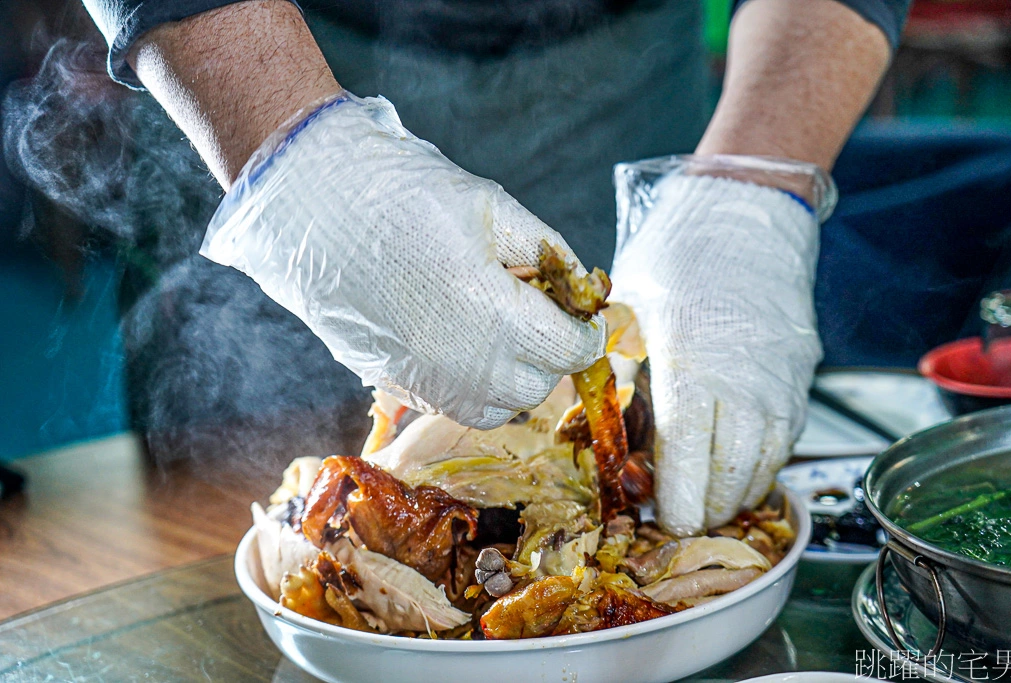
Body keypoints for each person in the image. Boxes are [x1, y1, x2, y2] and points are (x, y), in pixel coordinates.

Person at [77, 0, 907, 535]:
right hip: (241, 61)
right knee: (277, 541)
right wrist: (298, 164)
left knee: (662, 470)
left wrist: (748, 187)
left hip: (624, 74)